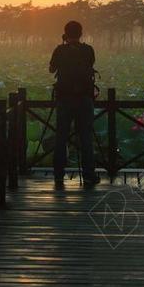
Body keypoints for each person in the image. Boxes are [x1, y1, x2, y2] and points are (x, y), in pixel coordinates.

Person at [49, 20, 100, 187]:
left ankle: (58, 175)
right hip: (84, 99)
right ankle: (89, 175)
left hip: (64, 99)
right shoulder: (88, 50)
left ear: (65, 33)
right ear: (81, 33)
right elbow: (90, 64)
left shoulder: (60, 50)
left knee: (61, 137)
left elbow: (51, 69)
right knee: (86, 137)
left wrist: (63, 46)